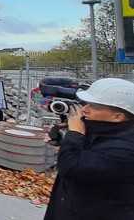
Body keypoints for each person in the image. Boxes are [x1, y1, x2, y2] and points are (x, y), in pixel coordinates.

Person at [44, 77, 134, 220]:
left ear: (118, 116)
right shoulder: (105, 130)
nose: (85, 109)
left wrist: (74, 134)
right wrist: (64, 139)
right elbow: (90, 150)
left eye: (94, 106)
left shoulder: (125, 150)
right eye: (86, 104)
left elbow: (71, 167)